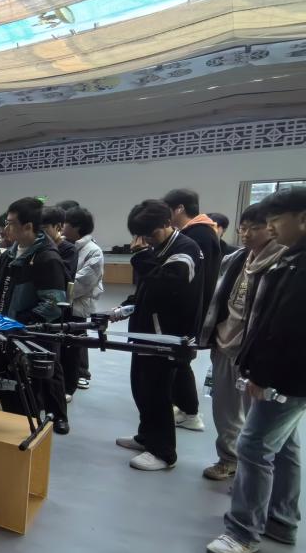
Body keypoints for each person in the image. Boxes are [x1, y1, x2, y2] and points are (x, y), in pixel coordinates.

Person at [206, 187, 306, 553]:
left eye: (275, 220)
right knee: (285, 445)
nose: (271, 227)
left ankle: (243, 532)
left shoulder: (297, 265)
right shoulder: (292, 259)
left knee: (253, 446)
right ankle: (281, 520)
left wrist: (261, 374)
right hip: (283, 374)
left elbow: (287, 330)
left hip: (286, 376)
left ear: (302, 219)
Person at [112, 200, 204, 471]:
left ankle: (163, 452)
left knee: (158, 393)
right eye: (141, 236)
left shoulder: (185, 249)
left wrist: (141, 256)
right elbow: (147, 287)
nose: (146, 241)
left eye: (150, 234)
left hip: (167, 335)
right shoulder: (158, 248)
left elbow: (166, 285)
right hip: (146, 331)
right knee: (141, 387)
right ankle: (146, 436)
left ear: (167, 223)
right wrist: (128, 305)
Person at [199, 204, 285, 480]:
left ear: (271, 229)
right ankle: (228, 459)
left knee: (258, 418)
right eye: (243, 228)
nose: (246, 234)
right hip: (225, 343)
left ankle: (255, 473)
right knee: (224, 409)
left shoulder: (283, 264)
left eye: (254, 229)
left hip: (256, 354)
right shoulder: (235, 259)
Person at [0, 198, 70, 435]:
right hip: (6, 327)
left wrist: (24, 322)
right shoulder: (9, 255)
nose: (5, 228)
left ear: (28, 226)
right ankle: (3, 414)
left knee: (48, 375)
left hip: (36, 331)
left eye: (11, 223)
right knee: (1, 372)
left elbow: (53, 304)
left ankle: (57, 416)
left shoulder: (47, 258)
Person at [162, 188, 221, 432]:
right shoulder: (198, 233)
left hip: (190, 309)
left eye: (168, 210)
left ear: (179, 209)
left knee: (180, 360)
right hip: (191, 308)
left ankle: (191, 413)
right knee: (177, 360)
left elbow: (195, 280)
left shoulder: (199, 235)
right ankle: (184, 407)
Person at [62, 206, 104, 393]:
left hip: (77, 305)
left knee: (74, 345)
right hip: (61, 304)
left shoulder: (93, 251)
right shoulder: (62, 245)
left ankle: (74, 382)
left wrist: (55, 290)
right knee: (61, 344)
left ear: (77, 227)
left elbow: (82, 283)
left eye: (65, 223)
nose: (61, 227)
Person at [41, 205, 77, 280]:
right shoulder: (36, 245)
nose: (39, 232)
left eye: (43, 228)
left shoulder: (69, 250)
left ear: (58, 227)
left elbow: (64, 277)